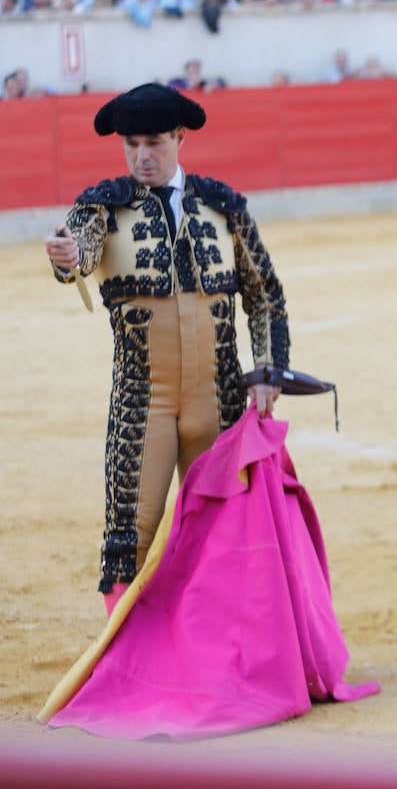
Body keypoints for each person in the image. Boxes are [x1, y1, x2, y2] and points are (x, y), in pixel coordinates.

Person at [43, 83, 289, 614]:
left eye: (153, 143)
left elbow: (264, 293)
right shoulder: (102, 206)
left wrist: (269, 369)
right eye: (131, 145)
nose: (141, 156)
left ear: (180, 138)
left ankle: (226, 657)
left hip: (219, 398)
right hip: (142, 402)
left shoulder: (224, 207)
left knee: (227, 537)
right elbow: (79, 254)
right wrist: (65, 256)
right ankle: (121, 669)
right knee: (126, 538)